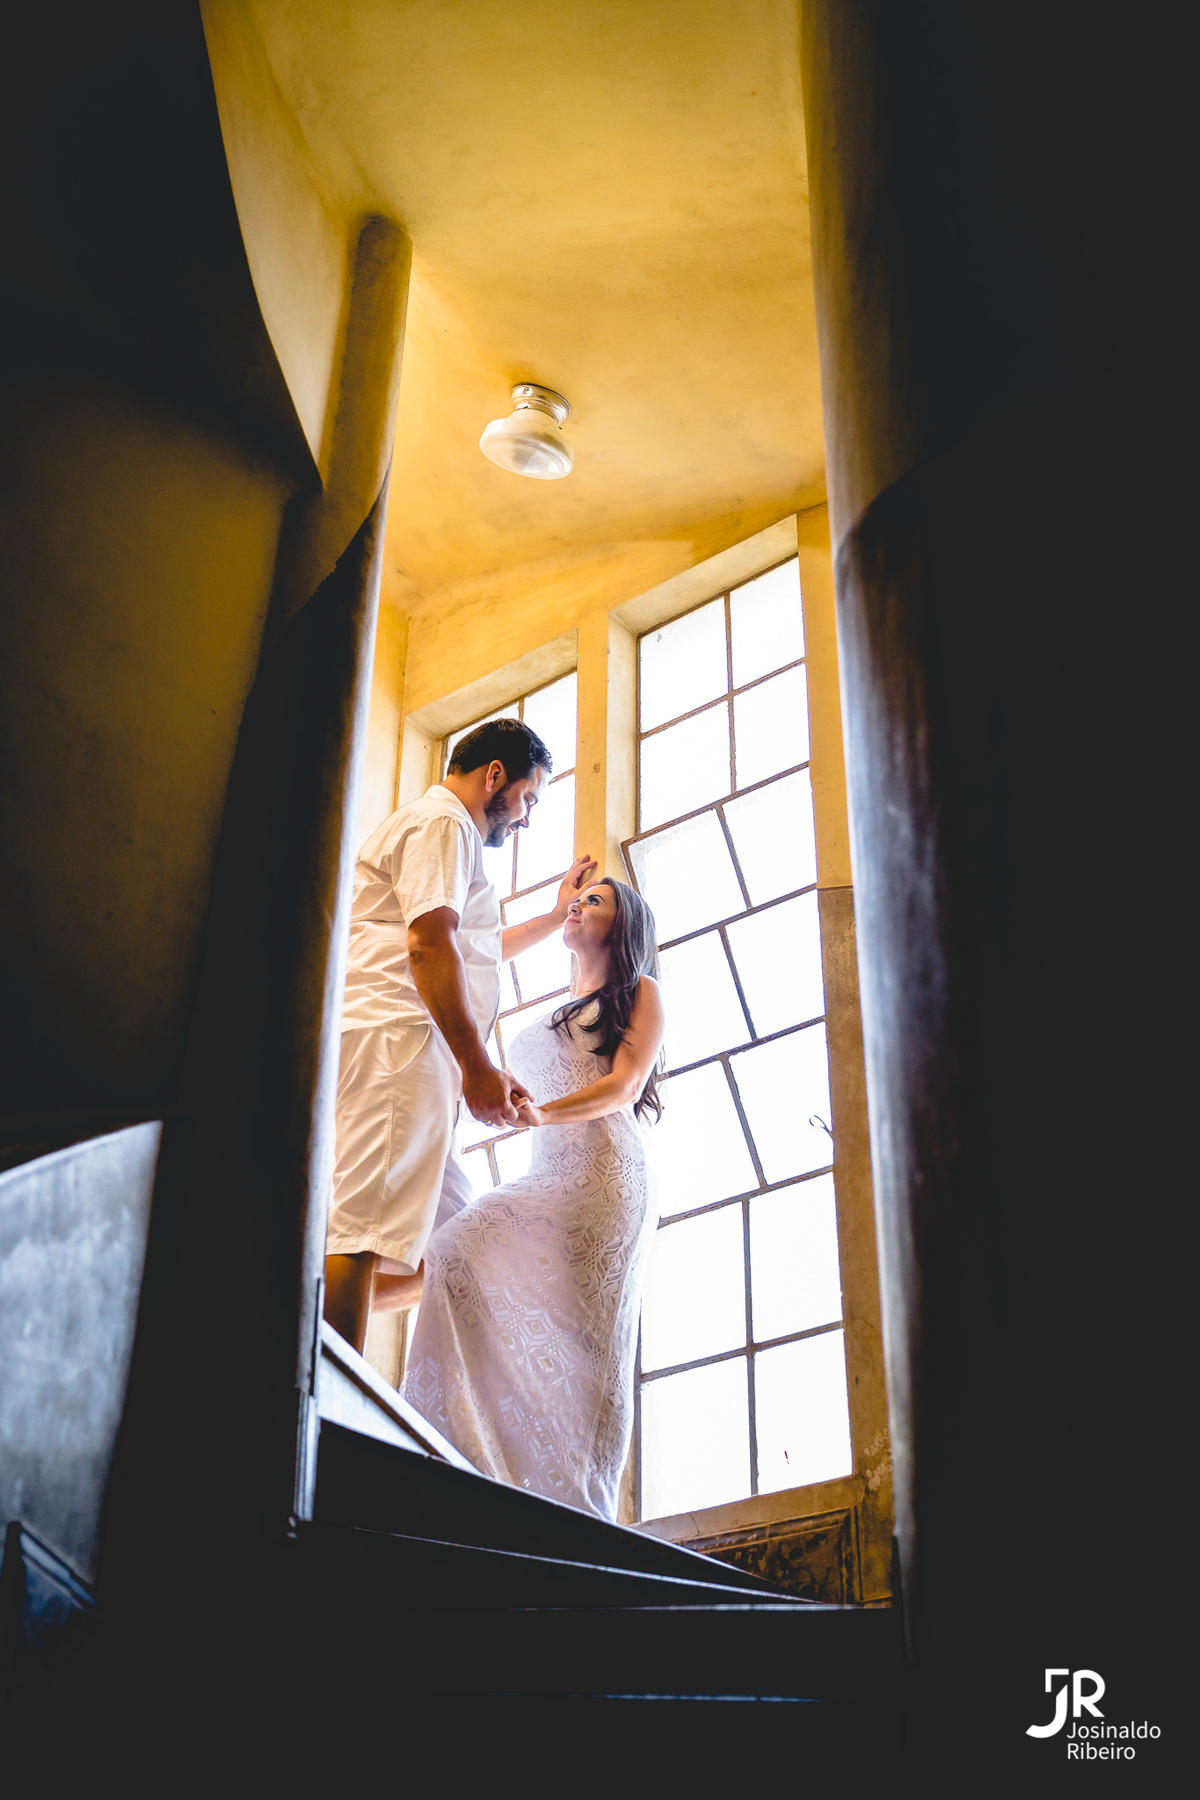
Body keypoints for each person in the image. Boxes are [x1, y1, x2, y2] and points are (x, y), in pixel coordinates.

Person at [324, 715, 597, 1351]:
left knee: (454, 1250)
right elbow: (429, 943)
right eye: (529, 798)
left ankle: (298, 1309)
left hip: (420, 1054)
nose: (525, 817)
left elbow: (471, 947)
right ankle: (319, 1396)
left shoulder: (445, 833)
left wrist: (553, 917)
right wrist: (478, 1066)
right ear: (495, 775)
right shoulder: (444, 823)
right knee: (361, 1231)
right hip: (399, 1038)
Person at [402, 877, 665, 1520]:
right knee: (454, 1253)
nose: (579, 904)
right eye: (580, 897)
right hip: (548, 1172)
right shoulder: (554, 1011)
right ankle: (463, 1468)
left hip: (605, 1181)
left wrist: (544, 1114)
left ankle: (584, 1505)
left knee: (587, 1347)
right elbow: (474, 961)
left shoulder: (640, 992)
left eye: (596, 901)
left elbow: (626, 1086)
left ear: (625, 926)